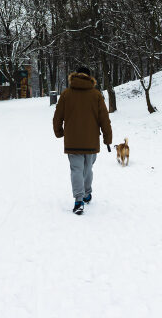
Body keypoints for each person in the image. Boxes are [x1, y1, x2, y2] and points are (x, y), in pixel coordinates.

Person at [52, 66, 113, 215]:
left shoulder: (66, 94)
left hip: (73, 140)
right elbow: (104, 119)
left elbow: (57, 116)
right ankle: (86, 193)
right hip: (91, 140)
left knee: (76, 170)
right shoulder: (96, 95)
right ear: (89, 77)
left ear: (74, 76)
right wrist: (107, 138)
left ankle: (79, 199)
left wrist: (59, 132)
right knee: (88, 168)